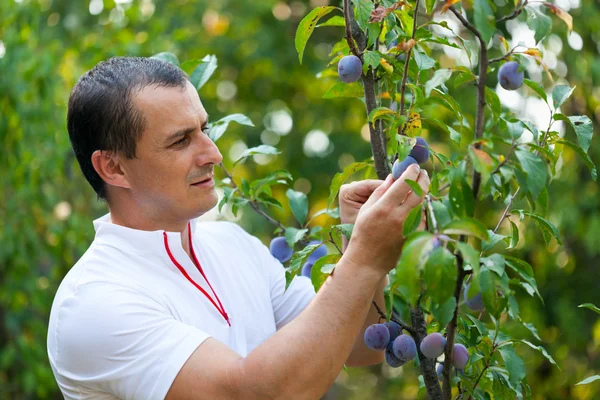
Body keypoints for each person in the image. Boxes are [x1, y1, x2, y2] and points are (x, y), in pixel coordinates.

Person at [47, 56, 430, 399]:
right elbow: (251, 393)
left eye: (203, 129)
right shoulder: (94, 303)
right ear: (113, 168)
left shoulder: (233, 243)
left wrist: (354, 243)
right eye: (181, 140)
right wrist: (363, 259)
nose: (213, 153)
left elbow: (357, 347)